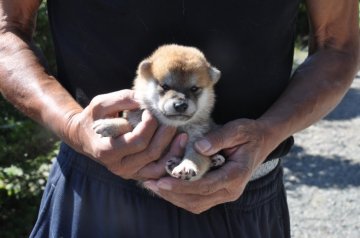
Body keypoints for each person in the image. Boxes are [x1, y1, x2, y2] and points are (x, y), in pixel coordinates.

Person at [0, 0, 358, 237]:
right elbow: (7, 30)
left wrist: (268, 133)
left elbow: (338, 45)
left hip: (240, 195)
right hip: (93, 195)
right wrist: (73, 125)